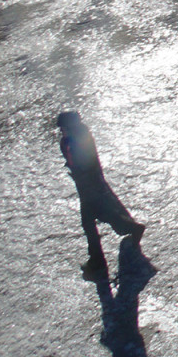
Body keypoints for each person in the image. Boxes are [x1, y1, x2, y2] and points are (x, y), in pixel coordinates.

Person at [56, 112, 145, 278]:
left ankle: (98, 261)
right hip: (87, 187)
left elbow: (86, 165)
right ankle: (129, 229)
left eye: (63, 128)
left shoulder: (79, 141)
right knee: (102, 215)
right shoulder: (72, 139)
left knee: (90, 221)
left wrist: (82, 177)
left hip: (90, 188)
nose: (62, 131)